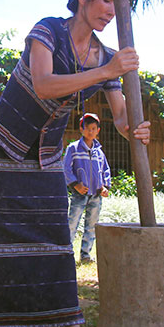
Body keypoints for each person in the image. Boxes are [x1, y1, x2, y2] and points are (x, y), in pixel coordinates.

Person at [0, 0, 150, 327]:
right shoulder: (47, 31)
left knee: (58, 235)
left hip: (47, 152)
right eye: (106, 0)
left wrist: (135, 129)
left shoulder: (105, 57)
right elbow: (43, 83)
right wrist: (108, 71)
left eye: (118, 5)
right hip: (7, 143)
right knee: (6, 234)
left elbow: (121, 117)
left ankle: (68, 325)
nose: (112, 11)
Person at [64, 112, 111, 263]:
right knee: (72, 223)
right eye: (87, 128)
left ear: (98, 130)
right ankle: (66, 253)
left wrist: (105, 186)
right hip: (80, 194)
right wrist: (75, 184)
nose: (90, 131)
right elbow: (65, 169)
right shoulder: (74, 148)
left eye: (93, 128)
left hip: (96, 195)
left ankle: (85, 254)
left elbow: (105, 170)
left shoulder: (99, 152)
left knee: (91, 226)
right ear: (81, 129)